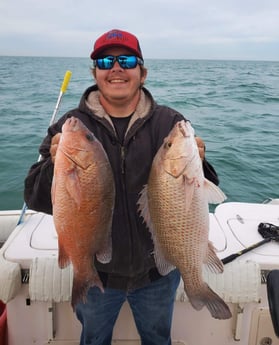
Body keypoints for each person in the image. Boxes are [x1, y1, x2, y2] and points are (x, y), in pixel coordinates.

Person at [24, 29, 220, 345]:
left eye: (126, 60)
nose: (116, 67)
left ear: (141, 72)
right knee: (93, 338)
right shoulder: (69, 126)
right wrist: (54, 166)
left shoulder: (168, 123)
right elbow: (34, 196)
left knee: (158, 338)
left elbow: (201, 191)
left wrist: (200, 161)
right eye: (105, 60)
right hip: (99, 271)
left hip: (156, 274)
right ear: (95, 72)